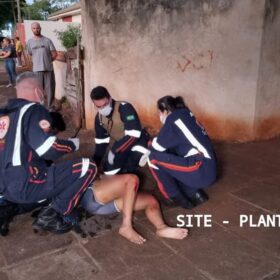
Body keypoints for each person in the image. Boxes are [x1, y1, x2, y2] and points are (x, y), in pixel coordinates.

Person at [0, 72, 97, 234]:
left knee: (51, 181)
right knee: (88, 167)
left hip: (5, 188)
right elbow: (48, 149)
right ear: (39, 91)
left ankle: (10, 206)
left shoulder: (4, 114)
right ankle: (55, 213)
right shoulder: (33, 109)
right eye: (44, 92)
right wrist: (72, 145)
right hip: (24, 185)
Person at [143, 96, 217, 209]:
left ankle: (173, 197)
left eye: (159, 113)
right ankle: (195, 194)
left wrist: (149, 143)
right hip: (208, 166)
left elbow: (156, 147)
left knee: (153, 158)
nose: (159, 116)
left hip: (201, 169)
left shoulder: (173, 120)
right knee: (171, 154)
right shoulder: (185, 114)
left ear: (165, 110)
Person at [81, 173, 188, 244]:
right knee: (131, 179)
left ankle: (161, 227)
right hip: (92, 195)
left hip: (104, 207)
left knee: (151, 201)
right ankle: (126, 226)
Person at [91, 86, 150, 175]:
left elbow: (134, 135)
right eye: (99, 106)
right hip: (122, 145)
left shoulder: (124, 108)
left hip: (138, 141)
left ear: (110, 99)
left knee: (129, 168)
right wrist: (94, 164)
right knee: (109, 172)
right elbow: (101, 142)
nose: (102, 108)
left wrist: (114, 150)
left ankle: (145, 154)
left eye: (105, 104)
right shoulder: (99, 118)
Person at [26, 22, 57, 110]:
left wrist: (48, 61)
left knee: (50, 89)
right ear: (32, 29)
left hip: (48, 69)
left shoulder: (47, 40)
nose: (36, 30)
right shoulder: (30, 42)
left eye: (37, 28)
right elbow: (30, 55)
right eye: (34, 28)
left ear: (40, 28)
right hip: (36, 70)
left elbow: (54, 54)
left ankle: (50, 107)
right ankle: (41, 107)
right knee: (38, 90)